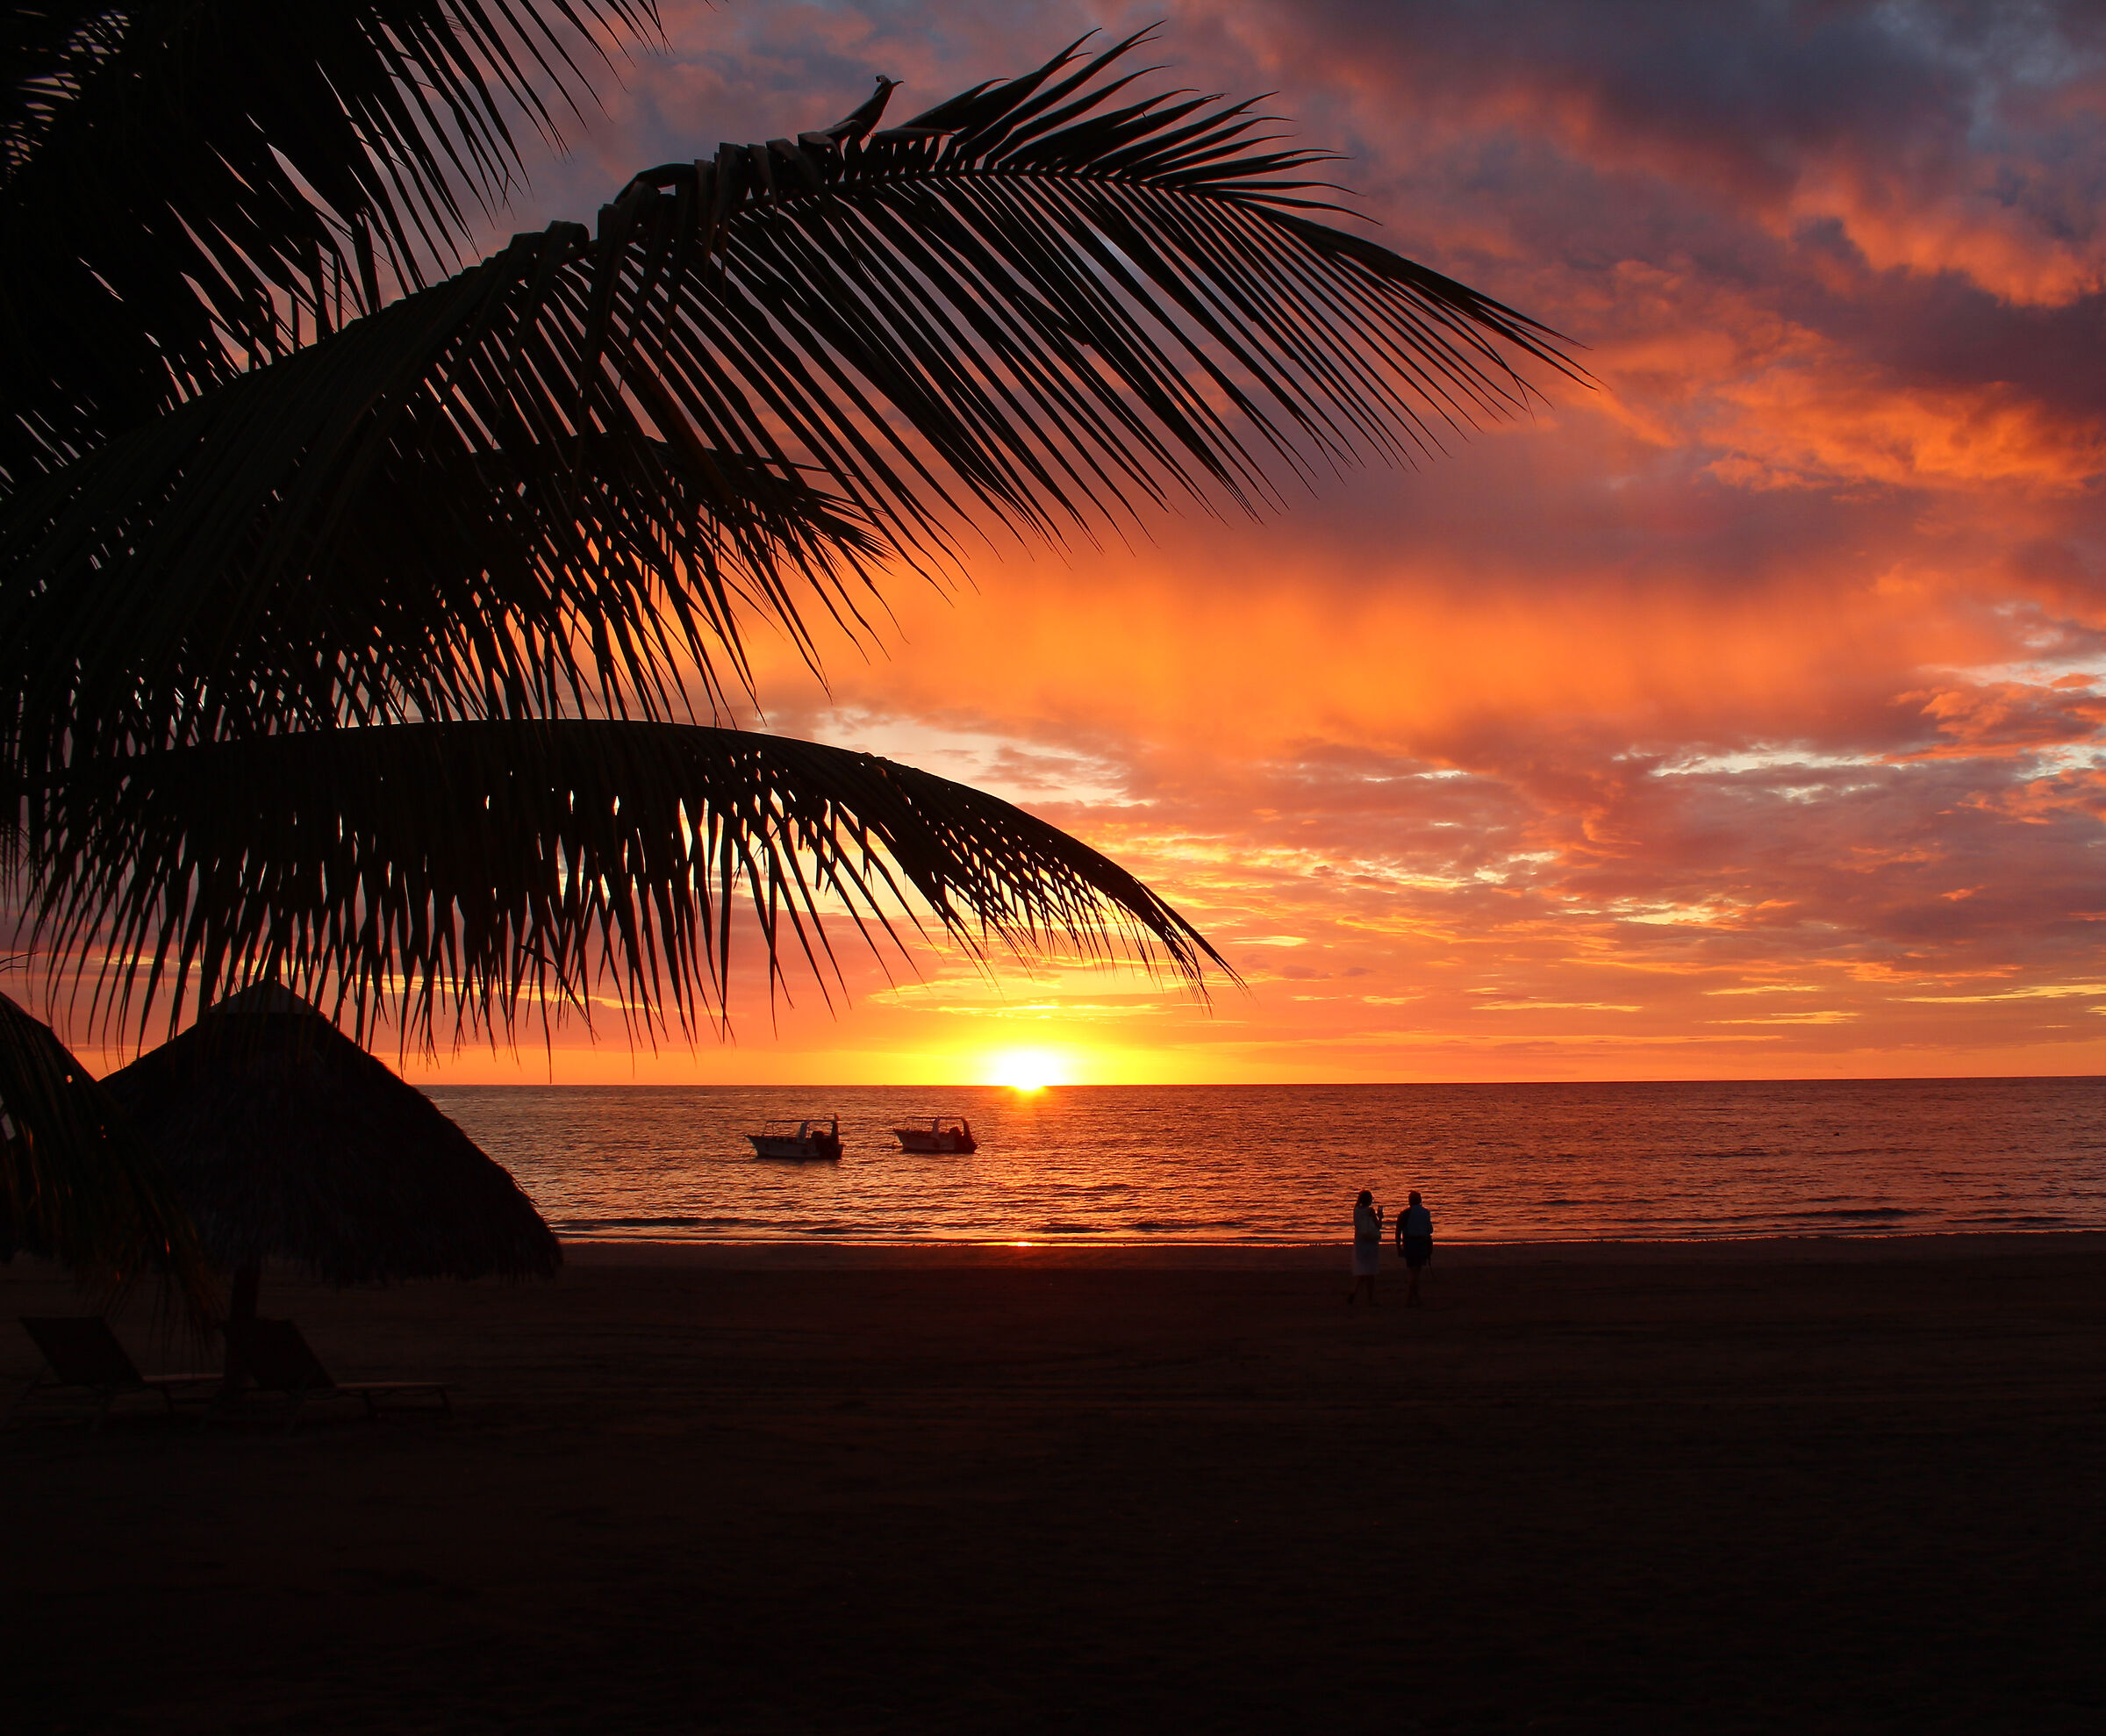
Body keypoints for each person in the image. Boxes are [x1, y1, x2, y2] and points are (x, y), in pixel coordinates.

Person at [1347, 1189, 1383, 1306]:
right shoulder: (1370, 1211)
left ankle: (1354, 1292)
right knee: (1370, 1273)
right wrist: (1380, 1217)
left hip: (1359, 1242)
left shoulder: (1356, 1210)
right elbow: (1378, 1226)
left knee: (1362, 1271)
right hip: (1370, 1242)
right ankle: (1371, 1299)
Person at [1397, 1190, 1433, 1306]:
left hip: (1410, 1243)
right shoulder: (1426, 1212)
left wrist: (1398, 1247)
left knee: (1413, 1272)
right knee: (1416, 1272)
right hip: (1421, 1243)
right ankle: (1413, 1299)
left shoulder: (1405, 1213)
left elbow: (1398, 1231)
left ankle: (1412, 1299)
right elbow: (1430, 1230)